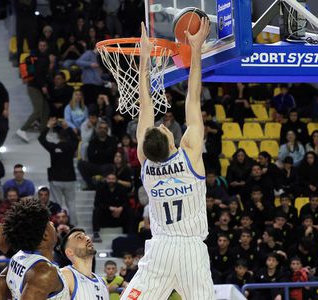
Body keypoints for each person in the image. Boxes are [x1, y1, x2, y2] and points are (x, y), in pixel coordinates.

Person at [120, 20, 215, 299]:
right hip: (190, 249)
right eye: (162, 127)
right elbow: (193, 99)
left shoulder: (145, 163)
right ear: (171, 139)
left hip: (160, 249)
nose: (161, 124)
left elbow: (145, 105)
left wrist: (144, 61)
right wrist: (195, 49)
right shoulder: (189, 152)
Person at [4, 198, 70, 299]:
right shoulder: (44, 272)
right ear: (45, 235)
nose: (53, 224)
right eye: (49, 222)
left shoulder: (18, 257)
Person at [39, 117, 78, 224]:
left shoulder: (53, 147)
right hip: (70, 178)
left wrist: (48, 126)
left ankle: (58, 224)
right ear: (67, 136)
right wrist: (67, 127)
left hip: (56, 179)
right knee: (71, 204)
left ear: (57, 136)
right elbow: (76, 139)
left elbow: (41, 139)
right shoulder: (71, 146)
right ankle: (73, 226)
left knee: (57, 204)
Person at [16, 39, 55, 141]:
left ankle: (43, 133)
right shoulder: (42, 59)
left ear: (46, 47)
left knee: (45, 109)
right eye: (40, 45)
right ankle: (22, 129)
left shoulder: (43, 57)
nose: (42, 47)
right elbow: (38, 74)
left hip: (39, 87)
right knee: (38, 111)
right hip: (34, 87)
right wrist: (43, 86)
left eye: (43, 45)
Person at [59, 228, 110, 299]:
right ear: (70, 252)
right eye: (79, 237)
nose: (87, 238)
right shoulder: (64, 275)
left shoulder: (103, 283)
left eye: (86, 235)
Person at [92, 173, 134, 242]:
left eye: (113, 179)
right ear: (106, 180)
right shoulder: (101, 189)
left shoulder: (121, 189)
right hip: (106, 216)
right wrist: (109, 208)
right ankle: (96, 233)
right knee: (96, 210)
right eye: (109, 179)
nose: (111, 181)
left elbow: (126, 202)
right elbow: (97, 203)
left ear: (116, 180)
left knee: (130, 211)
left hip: (118, 216)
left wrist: (121, 208)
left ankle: (130, 233)